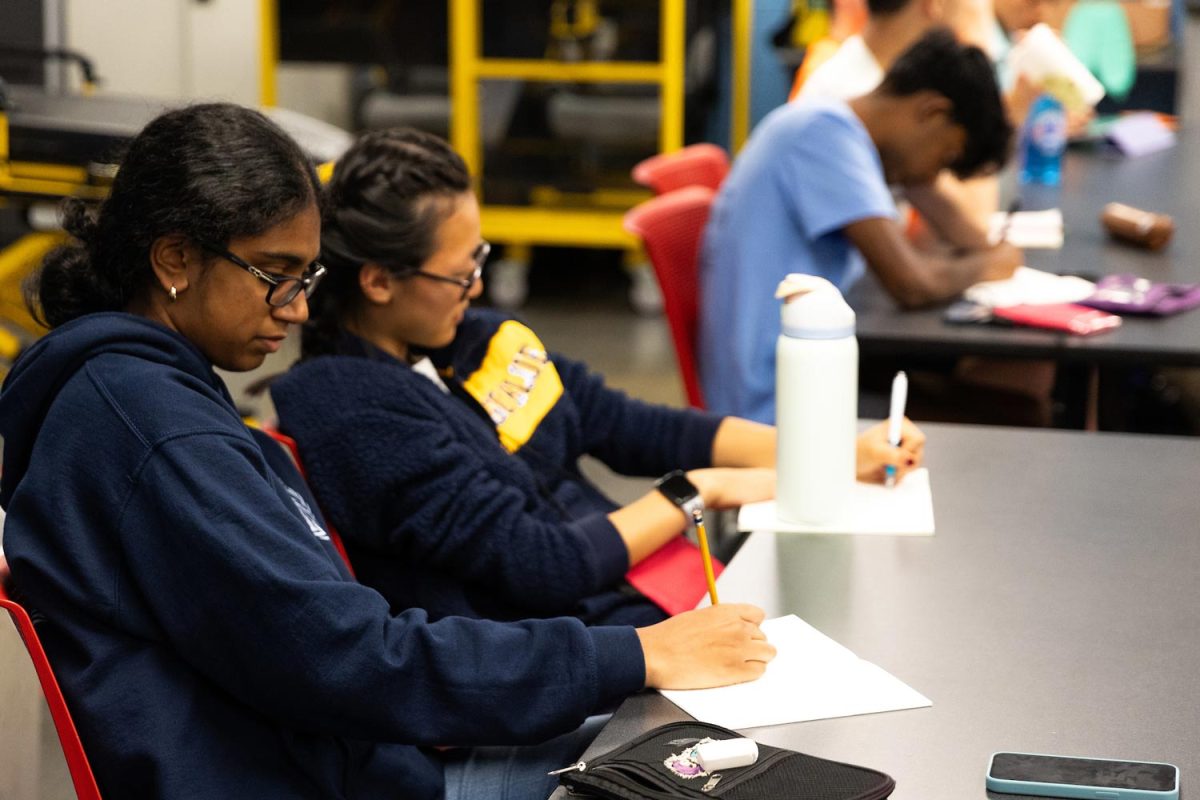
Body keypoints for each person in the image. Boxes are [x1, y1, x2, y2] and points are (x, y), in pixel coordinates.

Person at [0, 103, 778, 800]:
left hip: (370, 755)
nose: (298, 307)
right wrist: (633, 656)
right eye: (274, 277)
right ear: (173, 259)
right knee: (750, 768)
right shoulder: (159, 433)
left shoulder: (146, 396)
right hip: (361, 775)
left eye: (306, 276)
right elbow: (354, 659)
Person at [269, 128, 926, 630]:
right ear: (379, 281)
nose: (477, 285)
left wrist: (833, 456)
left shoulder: (466, 338)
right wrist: (698, 492)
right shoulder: (351, 410)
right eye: (459, 273)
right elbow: (542, 564)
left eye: (481, 258)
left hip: (637, 597)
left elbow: (627, 425)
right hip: (569, 649)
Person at [698, 29, 1020, 423]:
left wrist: (923, 176)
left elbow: (968, 236)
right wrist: (992, 265)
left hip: (804, 380)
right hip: (778, 411)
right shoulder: (825, 135)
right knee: (1010, 412)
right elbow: (912, 285)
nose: (935, 173)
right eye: (945, 156)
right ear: (932, 112)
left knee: (995, 398)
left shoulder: (838, 131)